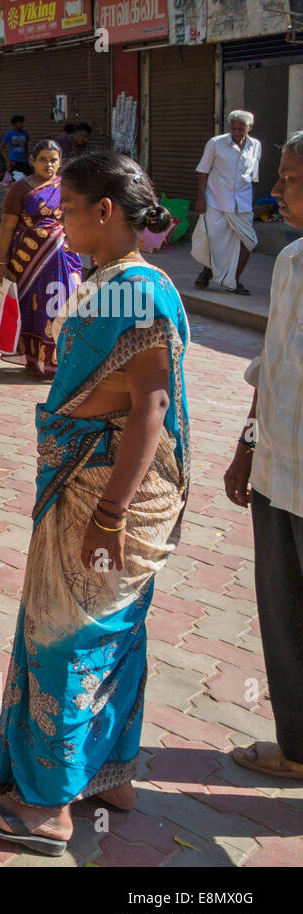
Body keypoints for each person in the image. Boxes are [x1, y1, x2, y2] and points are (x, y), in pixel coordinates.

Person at [0, 153, 189, 856]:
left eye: (69, 210)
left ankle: (47, 807)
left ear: (106, 212)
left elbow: (150, 407)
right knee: (117, 632)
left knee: (67, 637)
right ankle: (109, 777)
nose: (59, 222)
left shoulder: (137, 291)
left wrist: (111, 513)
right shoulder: (113, 281)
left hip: (108, 490)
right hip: (94, 478)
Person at [222, 130, 303, 782]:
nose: (276, 191)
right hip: (278, 470)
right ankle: (297, 746)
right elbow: (268, 369)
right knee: (282, 612)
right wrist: (246, 449)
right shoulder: (289, 264)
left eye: (291, 179)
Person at [0, 139, 82, 377]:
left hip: (64, 259)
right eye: (43, 159)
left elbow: (76, 222)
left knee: (64, 305)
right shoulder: (20, 189)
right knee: (34, 308)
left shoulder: (67, 187)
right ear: (33, 160)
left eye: (53, 160)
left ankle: (57, 360)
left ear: (60, 162)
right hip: (27, 262)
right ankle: (35, 359)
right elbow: (7, 228)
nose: (48, 164)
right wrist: (1, 263)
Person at [193, 110, 261, 295]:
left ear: (249, 128)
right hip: (216, 200)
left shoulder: (255, 145)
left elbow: (253, 177)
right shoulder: (215, 143)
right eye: (234, 128)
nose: (237, 131)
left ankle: (234, 280)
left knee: (249, 242)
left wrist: (253, 201)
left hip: (243, 203)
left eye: (242, 128)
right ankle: (206, 272)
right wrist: (201, 198)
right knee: (215, 241)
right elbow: (203, 171)